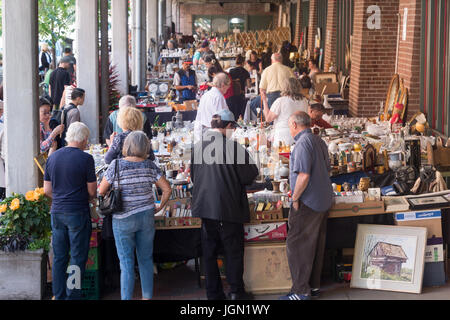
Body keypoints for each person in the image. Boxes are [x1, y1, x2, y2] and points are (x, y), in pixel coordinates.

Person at [191, 109, 259, 300]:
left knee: (209, 253)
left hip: (205, 208)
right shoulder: (233, 148)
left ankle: (213, 294)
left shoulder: (198, 147)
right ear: (228, 126)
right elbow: (250, 176)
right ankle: (236, 292)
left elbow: (194, 177)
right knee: (233, 252)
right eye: (233, 128)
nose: (233, 132)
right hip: (228, 208)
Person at [99, 131, 172, 300]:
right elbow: (167, 189)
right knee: (146, 259)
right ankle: (147, 297)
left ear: (127, 146)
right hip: (146, 216)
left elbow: (101, 191)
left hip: (122, 219)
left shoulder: (116, 165)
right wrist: (159, 207)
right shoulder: (150, 165)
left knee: (126, 264)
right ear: (145, 146)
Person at [279, 111, 333, 301]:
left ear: (294, 125)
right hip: (323, 199)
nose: (289, 129)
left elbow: (304, 175)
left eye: (288, 125)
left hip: (308, 202)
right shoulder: (318, 140)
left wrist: (295, 198)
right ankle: (314, 287)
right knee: (315, 244)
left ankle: (301, 291)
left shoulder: (302, 143)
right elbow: (327, 169)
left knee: (298, 245)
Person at [44, 122, 97, 300]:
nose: (87, 143)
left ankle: (58, 296)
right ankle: (73, 296)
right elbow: (92, 191)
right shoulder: (86, 159)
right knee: (77, 257)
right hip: (77, 212)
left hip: (57, 212)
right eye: (86, 140)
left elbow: (47, 190)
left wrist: (60, 198)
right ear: (82, 139)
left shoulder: (52, 157)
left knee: (59, 257)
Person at [262, 78, 309, 146]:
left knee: (282, 155)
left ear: (284, 88)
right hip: (300, 135)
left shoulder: (281, 101)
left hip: (283, 136)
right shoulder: (304, 101)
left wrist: (264, 100)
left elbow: (268, 119)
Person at [193, 72, 231, 142]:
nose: (228, 88)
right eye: (228, 86)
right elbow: (221, 120)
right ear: (223, 85)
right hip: (214, 134)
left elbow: (199, 117)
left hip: (204, 130)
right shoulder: (218, 97)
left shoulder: (206, 95)